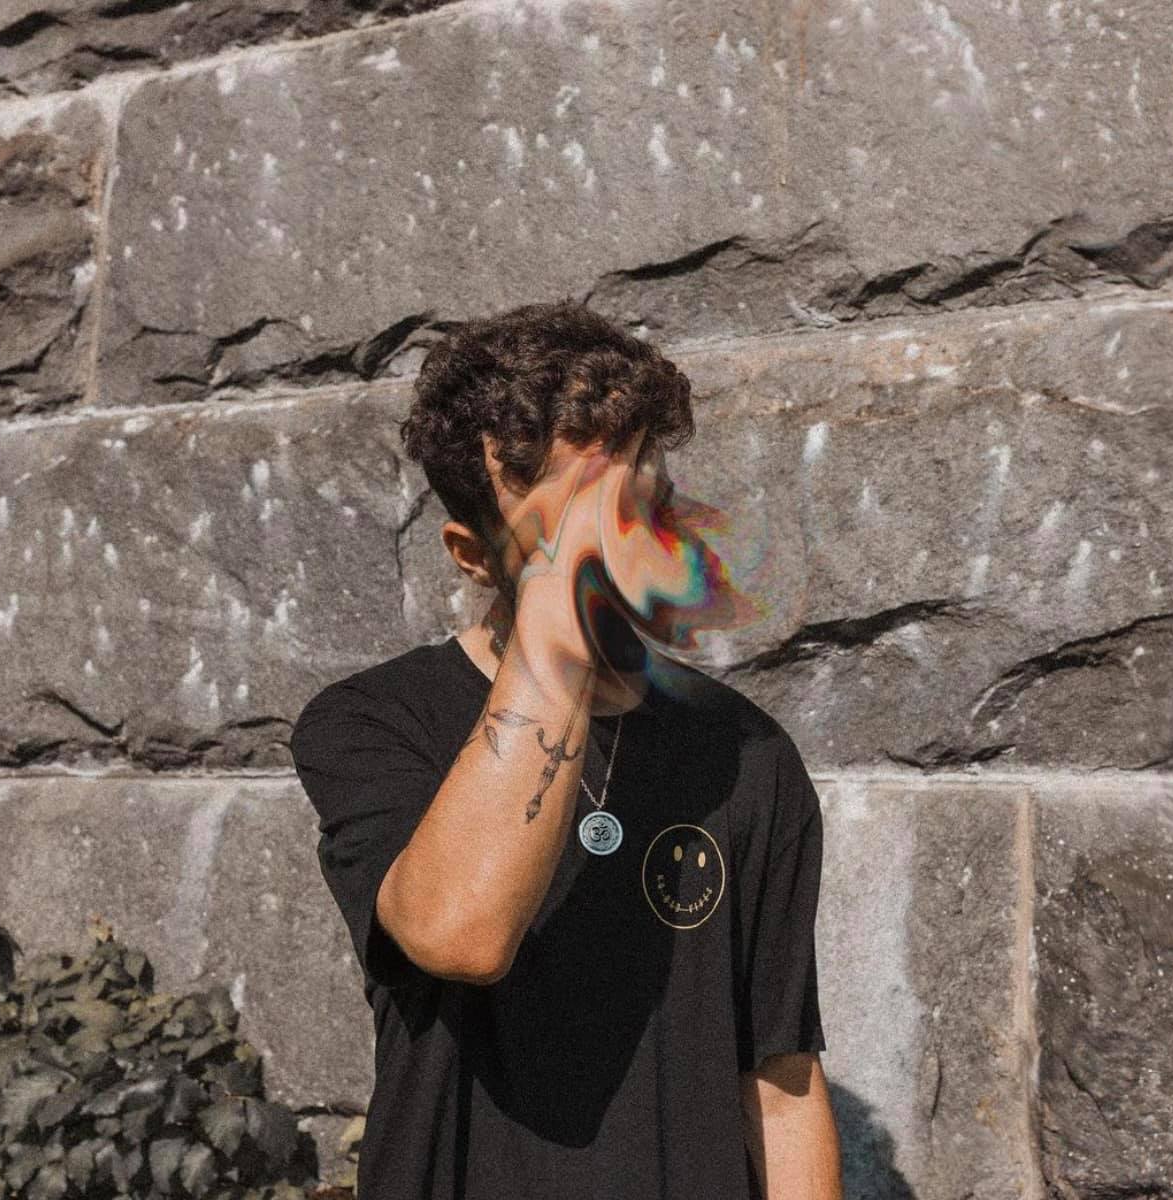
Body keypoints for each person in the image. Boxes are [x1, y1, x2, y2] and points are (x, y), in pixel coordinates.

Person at [289, 298, 843, 1199]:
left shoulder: (747, 755)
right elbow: (460, 934)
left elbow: (780, 1086)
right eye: (579, 526)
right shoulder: (370, 723)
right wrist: (558, 616)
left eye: (644, 508)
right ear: (472, 556)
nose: (629, 550)